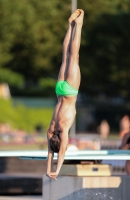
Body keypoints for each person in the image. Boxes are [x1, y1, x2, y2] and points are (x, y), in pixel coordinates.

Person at [46, 9, 84, 180]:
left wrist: (57, 170)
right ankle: (70, 26)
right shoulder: (51, 129)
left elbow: (60, 152)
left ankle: (79, 25)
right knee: (65, 56)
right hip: (60, 89)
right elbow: (50, 152)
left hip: (69, 91)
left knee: (73, 55)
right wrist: (49, 169)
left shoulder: (63, 128)